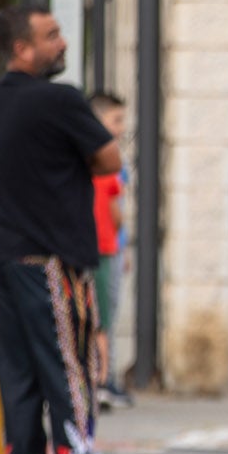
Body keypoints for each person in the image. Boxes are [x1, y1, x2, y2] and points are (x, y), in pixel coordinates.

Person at [0, 7, 138, 454]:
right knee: (70, 363)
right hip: (51, 256)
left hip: (7, 254)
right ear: (22, 48)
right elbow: (109, 158)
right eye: (51, 36)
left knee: (19, 368)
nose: (62, 43)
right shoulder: (60, 99)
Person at [88, 91, 132, 409]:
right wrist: (119, 232)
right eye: (116, 120)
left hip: (108, 247)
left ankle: (101, 377)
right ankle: (103, 379)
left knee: (101, 315)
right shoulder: (104, 162)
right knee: (103, 317)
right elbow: (115, 209)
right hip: (103, 247)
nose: (121, 127)